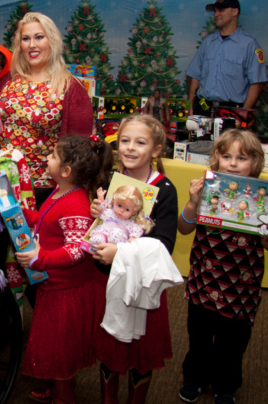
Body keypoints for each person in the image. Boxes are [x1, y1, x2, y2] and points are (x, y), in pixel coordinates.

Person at [176, 129, 268, 404]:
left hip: (241, 291)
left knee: (232, 345)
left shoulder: (262, 198)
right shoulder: (205, 190)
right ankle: (194, 378)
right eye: (226, 156)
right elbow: (184, 228)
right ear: (216, 159)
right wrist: (192, 202)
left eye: (242, 158)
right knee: (199, 339)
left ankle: (226, 385)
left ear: (256, 163)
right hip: (203, 284)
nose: (233, 163)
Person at [16, 135, 113, 404]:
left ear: (66, 171)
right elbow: (44, 220)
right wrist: (22, 214)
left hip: (66, 293)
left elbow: (76, 250)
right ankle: (53, 388)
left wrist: (41, 257)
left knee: (60, 355)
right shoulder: (61, 192)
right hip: (54, 286)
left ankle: (63, 397)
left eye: (53, 156)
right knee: (53, 349)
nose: (47, 158)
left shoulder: (76, 205)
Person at [89, 114, 178, 404]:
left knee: (141, 352)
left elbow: (164, 245)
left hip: (142, 285)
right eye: (124, 141)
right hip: (109, 281)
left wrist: (121, 252)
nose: (129, 148)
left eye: (140, 142)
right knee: (111, 348)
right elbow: (105, 225)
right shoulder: (112, 181)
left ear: (155, 150)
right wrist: (98, 213)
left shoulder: (164, 190)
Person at [0, 12, 93, 206]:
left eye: (39, 37)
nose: (32, 45)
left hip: (43, 187)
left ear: (52, 41)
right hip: (1, 180)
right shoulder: (8, 80)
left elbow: (79, 149)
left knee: (34, 237)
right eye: (26, 39)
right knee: (0, 236)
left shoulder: (70, 87)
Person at [186, 0, 267, 116]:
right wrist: (190, 106)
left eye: (221, 10)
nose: (216, 15)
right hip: (204, 108)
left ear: (235, 11)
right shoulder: (208, 42)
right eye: (215, 11)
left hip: (231, 112)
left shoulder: (249, 44)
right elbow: (195, 76)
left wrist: (242, 114)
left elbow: (257, 83)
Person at [88, 185, 154, 249]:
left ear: (134, 212)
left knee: (116, 233)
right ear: (114, 202)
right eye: (119, 205)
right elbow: (101, 211)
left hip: (117, 242)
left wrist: (133, 238)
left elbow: (137, 229)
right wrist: (101, 200)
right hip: (103, 234)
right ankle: (98, 244)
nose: (121, 211)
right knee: (97, 239)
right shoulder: (109, 213)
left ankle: (112, 246)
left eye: (127, 209)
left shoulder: (129, 223)